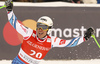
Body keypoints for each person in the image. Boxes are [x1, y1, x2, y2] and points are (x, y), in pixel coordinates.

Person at [5, 0, 95, 64]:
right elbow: (14, 22)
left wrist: (85, 37)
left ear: (49, 29)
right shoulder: (28, 33)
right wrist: (9, 11)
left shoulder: (52, 40)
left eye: (43, 27)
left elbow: (70, 43)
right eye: (38, 26)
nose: (40, 30)